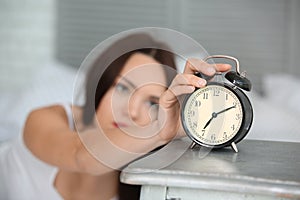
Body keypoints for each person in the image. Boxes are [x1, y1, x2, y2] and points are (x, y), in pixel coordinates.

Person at [0, 32, 231, 200]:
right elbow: (81, 156)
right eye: (122, 89)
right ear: (101, 87)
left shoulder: (146, 187)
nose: (131, 110)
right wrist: (157, 130)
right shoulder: (46, 119)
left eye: (151, 102)